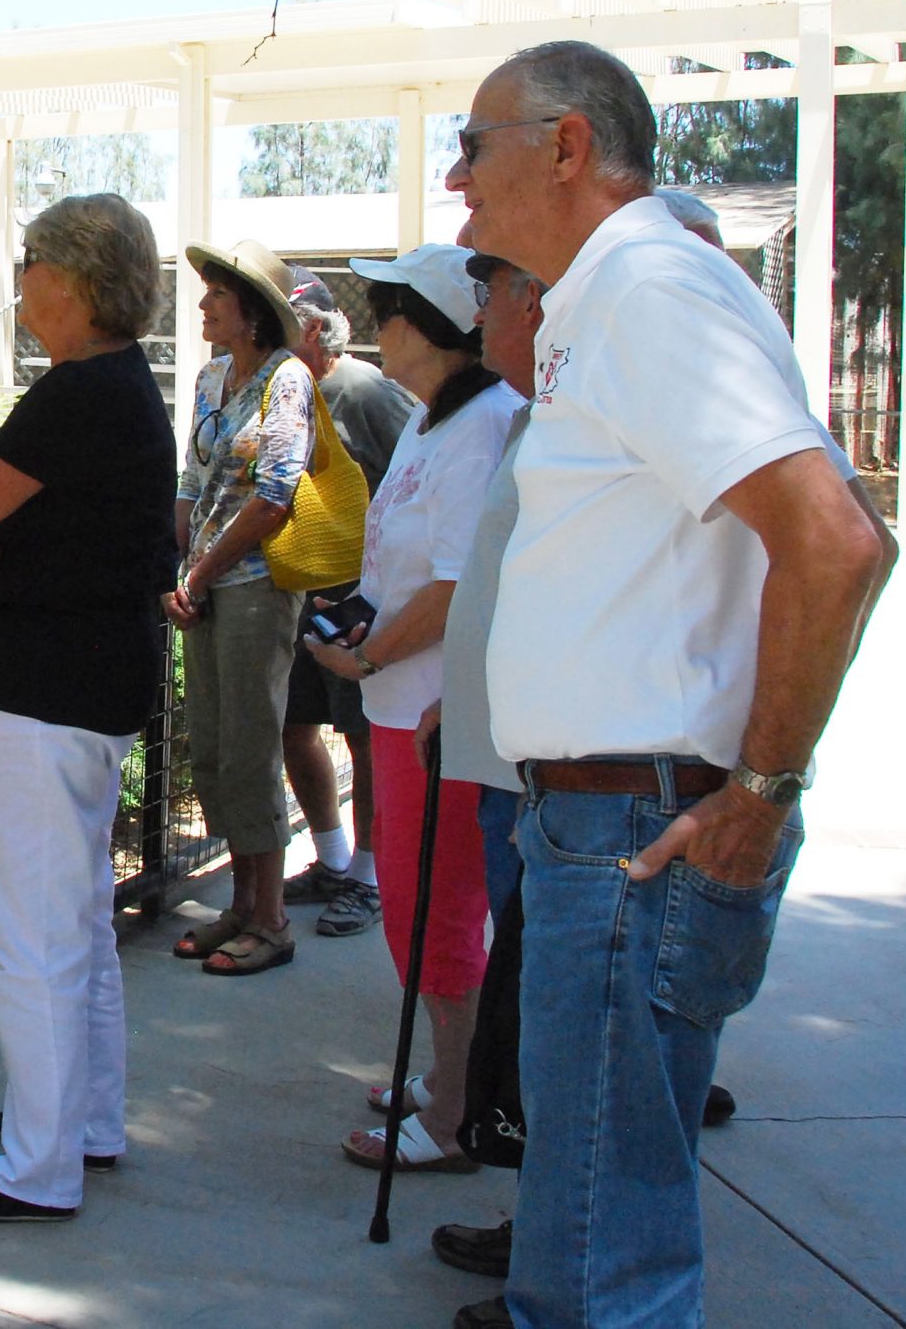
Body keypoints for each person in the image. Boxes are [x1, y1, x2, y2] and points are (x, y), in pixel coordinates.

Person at [450, 41, 888, 1329]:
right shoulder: (620, 293)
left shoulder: (646, 285)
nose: (456, 175)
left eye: (474, 144)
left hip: (636, 835)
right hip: (611, 824)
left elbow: (838, 539)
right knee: (589, 1242)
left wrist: (757, 792)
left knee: (603, 1279)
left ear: (567, 145)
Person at [0, 192, 176, 1222]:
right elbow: (22, 525)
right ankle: (84, 1125)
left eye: (27, 265)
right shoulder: (121, 390)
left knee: (30, 936)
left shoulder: (76, 394)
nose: (19, 285)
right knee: (75, 925)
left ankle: (36, 1166)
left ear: (65, 281)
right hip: (87, 691)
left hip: (45, 701)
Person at [301, 244, 523, 1174]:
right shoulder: (441, 420)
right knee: (419, 902)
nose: (376, 326)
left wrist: (366, 652)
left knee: (440, 907)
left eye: (388, 310)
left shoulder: (483, 427)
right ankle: (450, 1071)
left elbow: (458, 583)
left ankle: (458, 1113)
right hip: (402, 700)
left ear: (430, 327)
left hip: (435, 710)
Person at [164, 237, 320, 976]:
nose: (201, 305)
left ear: (250, 310)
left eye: (216, 295)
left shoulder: (286, 380)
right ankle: (242, 900)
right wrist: (181, 567)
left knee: (254, 743)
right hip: (206, 584)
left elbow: (274, 497)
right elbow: (192, 480)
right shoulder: (212, 377)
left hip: (256, 583)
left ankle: (271, 916)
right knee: (216, 743)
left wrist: (201, 571)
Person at [279, 267, 415, 937]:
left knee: (363, 738)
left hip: (360, 600)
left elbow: (417, 468)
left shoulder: (363, 391)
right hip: (302, 591)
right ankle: (333, 859)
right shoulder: (287, 392)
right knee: (293, 723)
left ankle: (370, 875)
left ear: (312, 328)